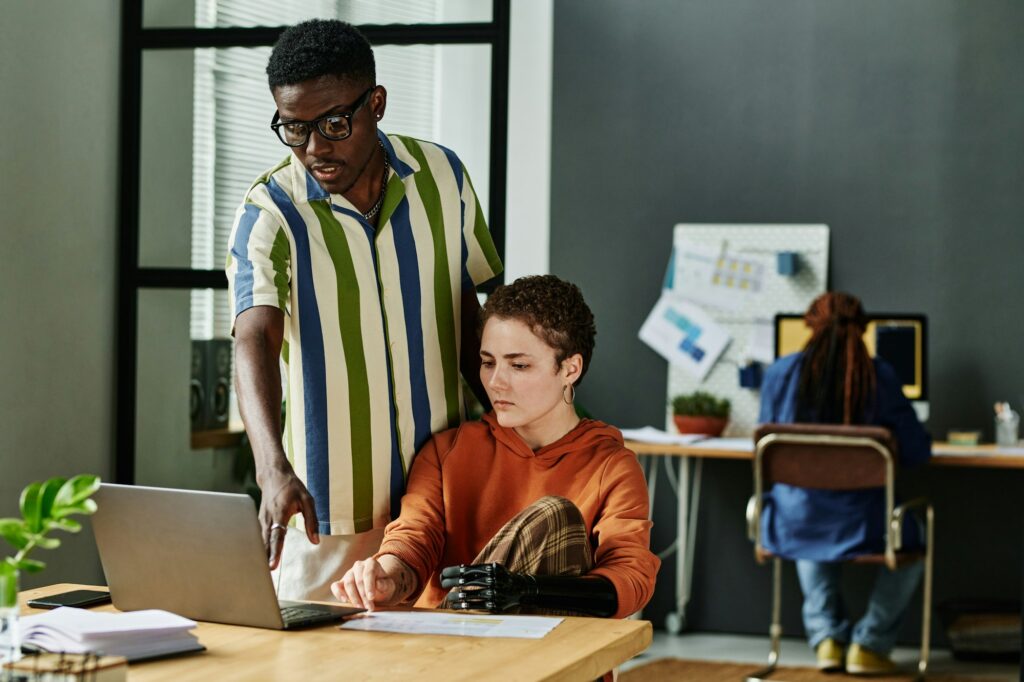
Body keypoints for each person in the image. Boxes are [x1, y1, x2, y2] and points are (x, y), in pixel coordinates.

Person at [226, 19, 502, 600]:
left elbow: (472, 314)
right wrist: (271, 469)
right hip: (329, 512)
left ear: (376, 102)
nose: (315, 150)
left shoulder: (443, 177)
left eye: (333, 124)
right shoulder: (271, 210)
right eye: (294, 129)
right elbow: (254, 337)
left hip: (446, 496)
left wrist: (514, 428)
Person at [332, 275, 660, 620]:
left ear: (569, 369)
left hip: (551, 652)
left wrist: (524, 589)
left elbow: (631, 578)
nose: (495, 381)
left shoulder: (611, 466)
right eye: (488, 362)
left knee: (554, 517)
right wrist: (386, 576)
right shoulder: (447, 451)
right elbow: (414, 539)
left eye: (519, 365)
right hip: (450, 646)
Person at [758, 292, 931, 675]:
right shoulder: (879, 375)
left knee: (807, 514)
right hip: (863, 524)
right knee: (915, 533)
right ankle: (869, 645)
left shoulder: (779, 374)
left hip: (792, 521)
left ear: (809, 325)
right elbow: (917, 451)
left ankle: (828, 641)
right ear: (862, 329)